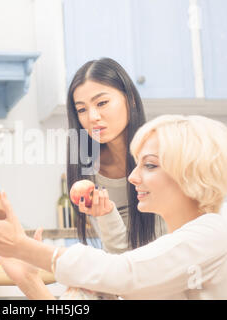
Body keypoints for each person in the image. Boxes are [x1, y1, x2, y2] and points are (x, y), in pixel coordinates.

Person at [0, 114, 227, 299]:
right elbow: (126, 272)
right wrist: (30, 282)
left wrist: (23, 247)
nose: (132, 176)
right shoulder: (184, 242)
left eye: (149, 165)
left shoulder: (212, 233)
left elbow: (124, 272)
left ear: (192, 173)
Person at [65, 57, 166, 253]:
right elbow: (121, 256)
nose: (93, 117)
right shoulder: (87, 169)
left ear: (131, 99)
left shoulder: (163, 154)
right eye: (82, 109)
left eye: (102, 103)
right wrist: (106, 214)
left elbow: (163, 251)